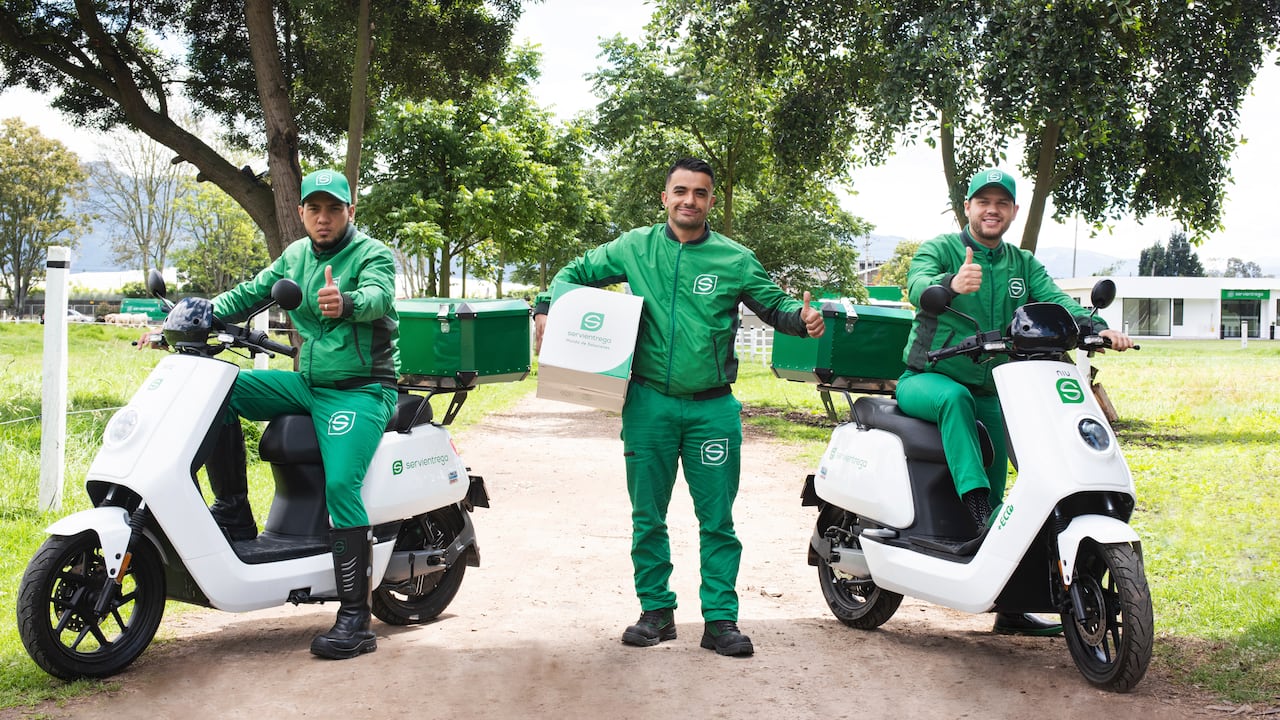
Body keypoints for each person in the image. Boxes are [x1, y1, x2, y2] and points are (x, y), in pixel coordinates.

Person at [533, 157, 824, 657]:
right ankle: (656, 612)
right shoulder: (633, 247)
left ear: (711, 201)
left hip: (712, 408)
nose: (690, 200)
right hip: (648, 404)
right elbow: (574, 273)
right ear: (665, 197)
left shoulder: (734, 258)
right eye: (681, 191)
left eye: (701, 193)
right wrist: (545, 306)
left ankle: (720, 621)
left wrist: (802, 318)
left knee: (718, 521)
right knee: (648, 516)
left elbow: (773, 305)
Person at [153, 169, 400, 660]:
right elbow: (251, 292)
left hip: (360, 390)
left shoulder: (372, 253)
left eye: (334, 209)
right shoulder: (295, 254)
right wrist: (189, 319)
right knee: (215, 393)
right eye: (315, 209)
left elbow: (381, 295)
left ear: (351, 212)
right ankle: (235, 514)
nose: (324, 218)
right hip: (307, 383)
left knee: (339, 487)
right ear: (301, 212)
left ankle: (356, 616)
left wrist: (346, 301)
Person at [896, 167, 1134, 637]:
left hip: (999, 385)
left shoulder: (1022, 263)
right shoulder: (942, 249)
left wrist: (1094, 325)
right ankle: (980, 510)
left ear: (1013, 212)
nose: (991, 210)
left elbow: (1052, 300)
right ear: (966, 208)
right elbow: (919, 286)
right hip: (928, 378)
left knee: (1023, 448)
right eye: (982, 201)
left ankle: (1010, 603)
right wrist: (948, 284)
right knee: (956, 401)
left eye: (1001, 203)